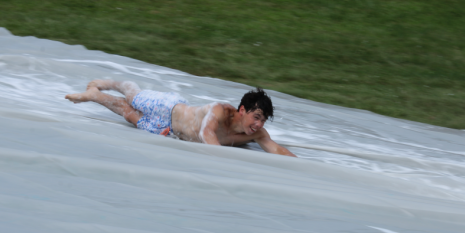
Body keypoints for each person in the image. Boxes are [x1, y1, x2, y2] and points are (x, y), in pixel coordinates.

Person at [65, 80, 297, 157]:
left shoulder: (256, 133)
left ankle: (94, 95)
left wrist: (301, 165)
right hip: (169, 108)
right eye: (256, 117)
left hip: (169, 130)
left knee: (127, 114)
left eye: (263, 120)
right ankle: (110, 83)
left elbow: (276, 150)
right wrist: (228, 164)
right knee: (133, 96)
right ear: (242, 110)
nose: (259, 125)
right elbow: (206, 133)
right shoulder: (220, 111)